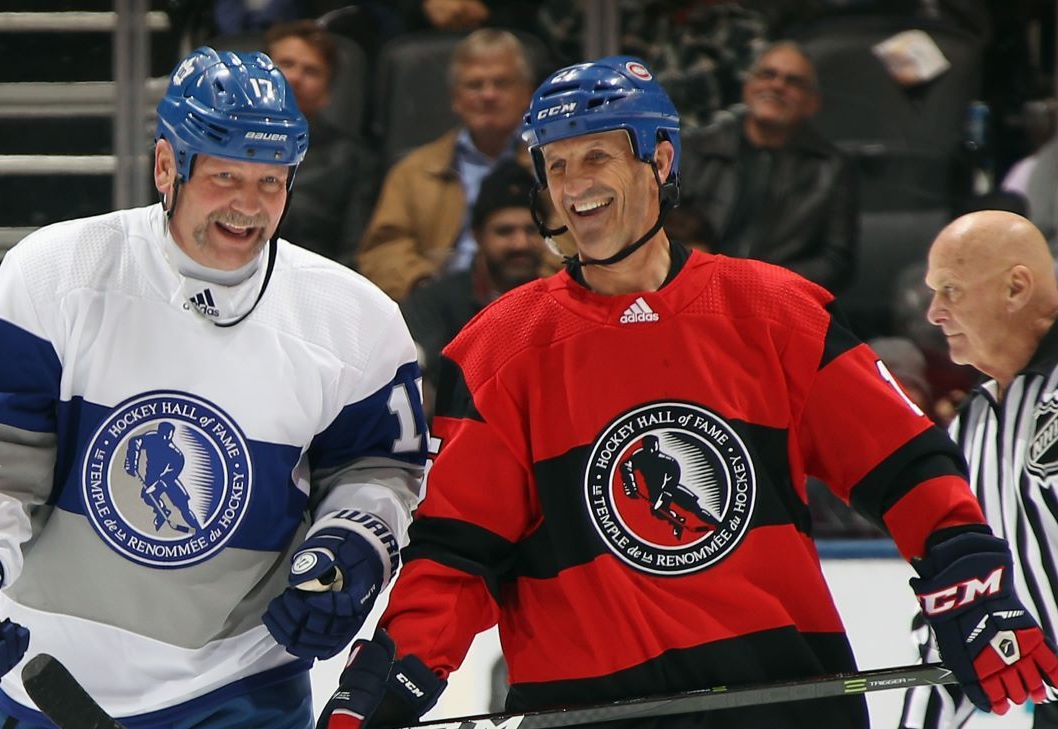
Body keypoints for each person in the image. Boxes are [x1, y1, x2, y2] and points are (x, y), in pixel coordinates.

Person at [316, 56, 1058, 728]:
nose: (575, 188)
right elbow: (454, 557)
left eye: (596, 157)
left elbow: (906, 464)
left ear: (660, 159)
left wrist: (969, 578)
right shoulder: (499, 352)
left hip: (787, 708)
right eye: (557, 166)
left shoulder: (777, 313)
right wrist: (387, 681)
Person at [0, 47, 426, 728]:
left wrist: (356, 541)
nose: (248, 205)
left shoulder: (356, 318)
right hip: (41, 680)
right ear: (167, 165)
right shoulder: (59, 271)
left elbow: (380, 467)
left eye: (270, 182)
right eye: (226, 176)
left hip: (240, 685)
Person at [900, 210, 1058, 729]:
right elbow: (961, 611)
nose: (934, 313)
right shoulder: (970, 428)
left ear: (1016, 288)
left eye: (951, 290)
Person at [357, 28, 536, 301]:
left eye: (501, 83)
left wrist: (537, 291)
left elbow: (575, 249)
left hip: (533, 307)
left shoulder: (554, 168)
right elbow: (382, 250)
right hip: (437, 311)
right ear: (455, 98)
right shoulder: (412, 171)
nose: (488, 95)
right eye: (475, 85)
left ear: (526, 94)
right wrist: (428, 289)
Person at [680, 41, 858, 293]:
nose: (776, 86)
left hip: (778, 307)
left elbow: (836, 263)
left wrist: (758, 283)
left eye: (793, 81)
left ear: (812, 103)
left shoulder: (831, 168)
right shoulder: (695, 151)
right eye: (767, 75)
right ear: (748, 88)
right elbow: (659, 235)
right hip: (695, 297)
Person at [400, 159, 552, 392]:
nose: (520, 243)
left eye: (531, 230)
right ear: (477, 236)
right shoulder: (431, 305)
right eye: (504, 231)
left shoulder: (561, 304)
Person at [265, 20, 379, 265]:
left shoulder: (353, 160)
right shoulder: (213, 139)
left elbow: (353, 252)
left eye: (311, 71)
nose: (295, 77)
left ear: (327, 94)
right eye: (286, 64)